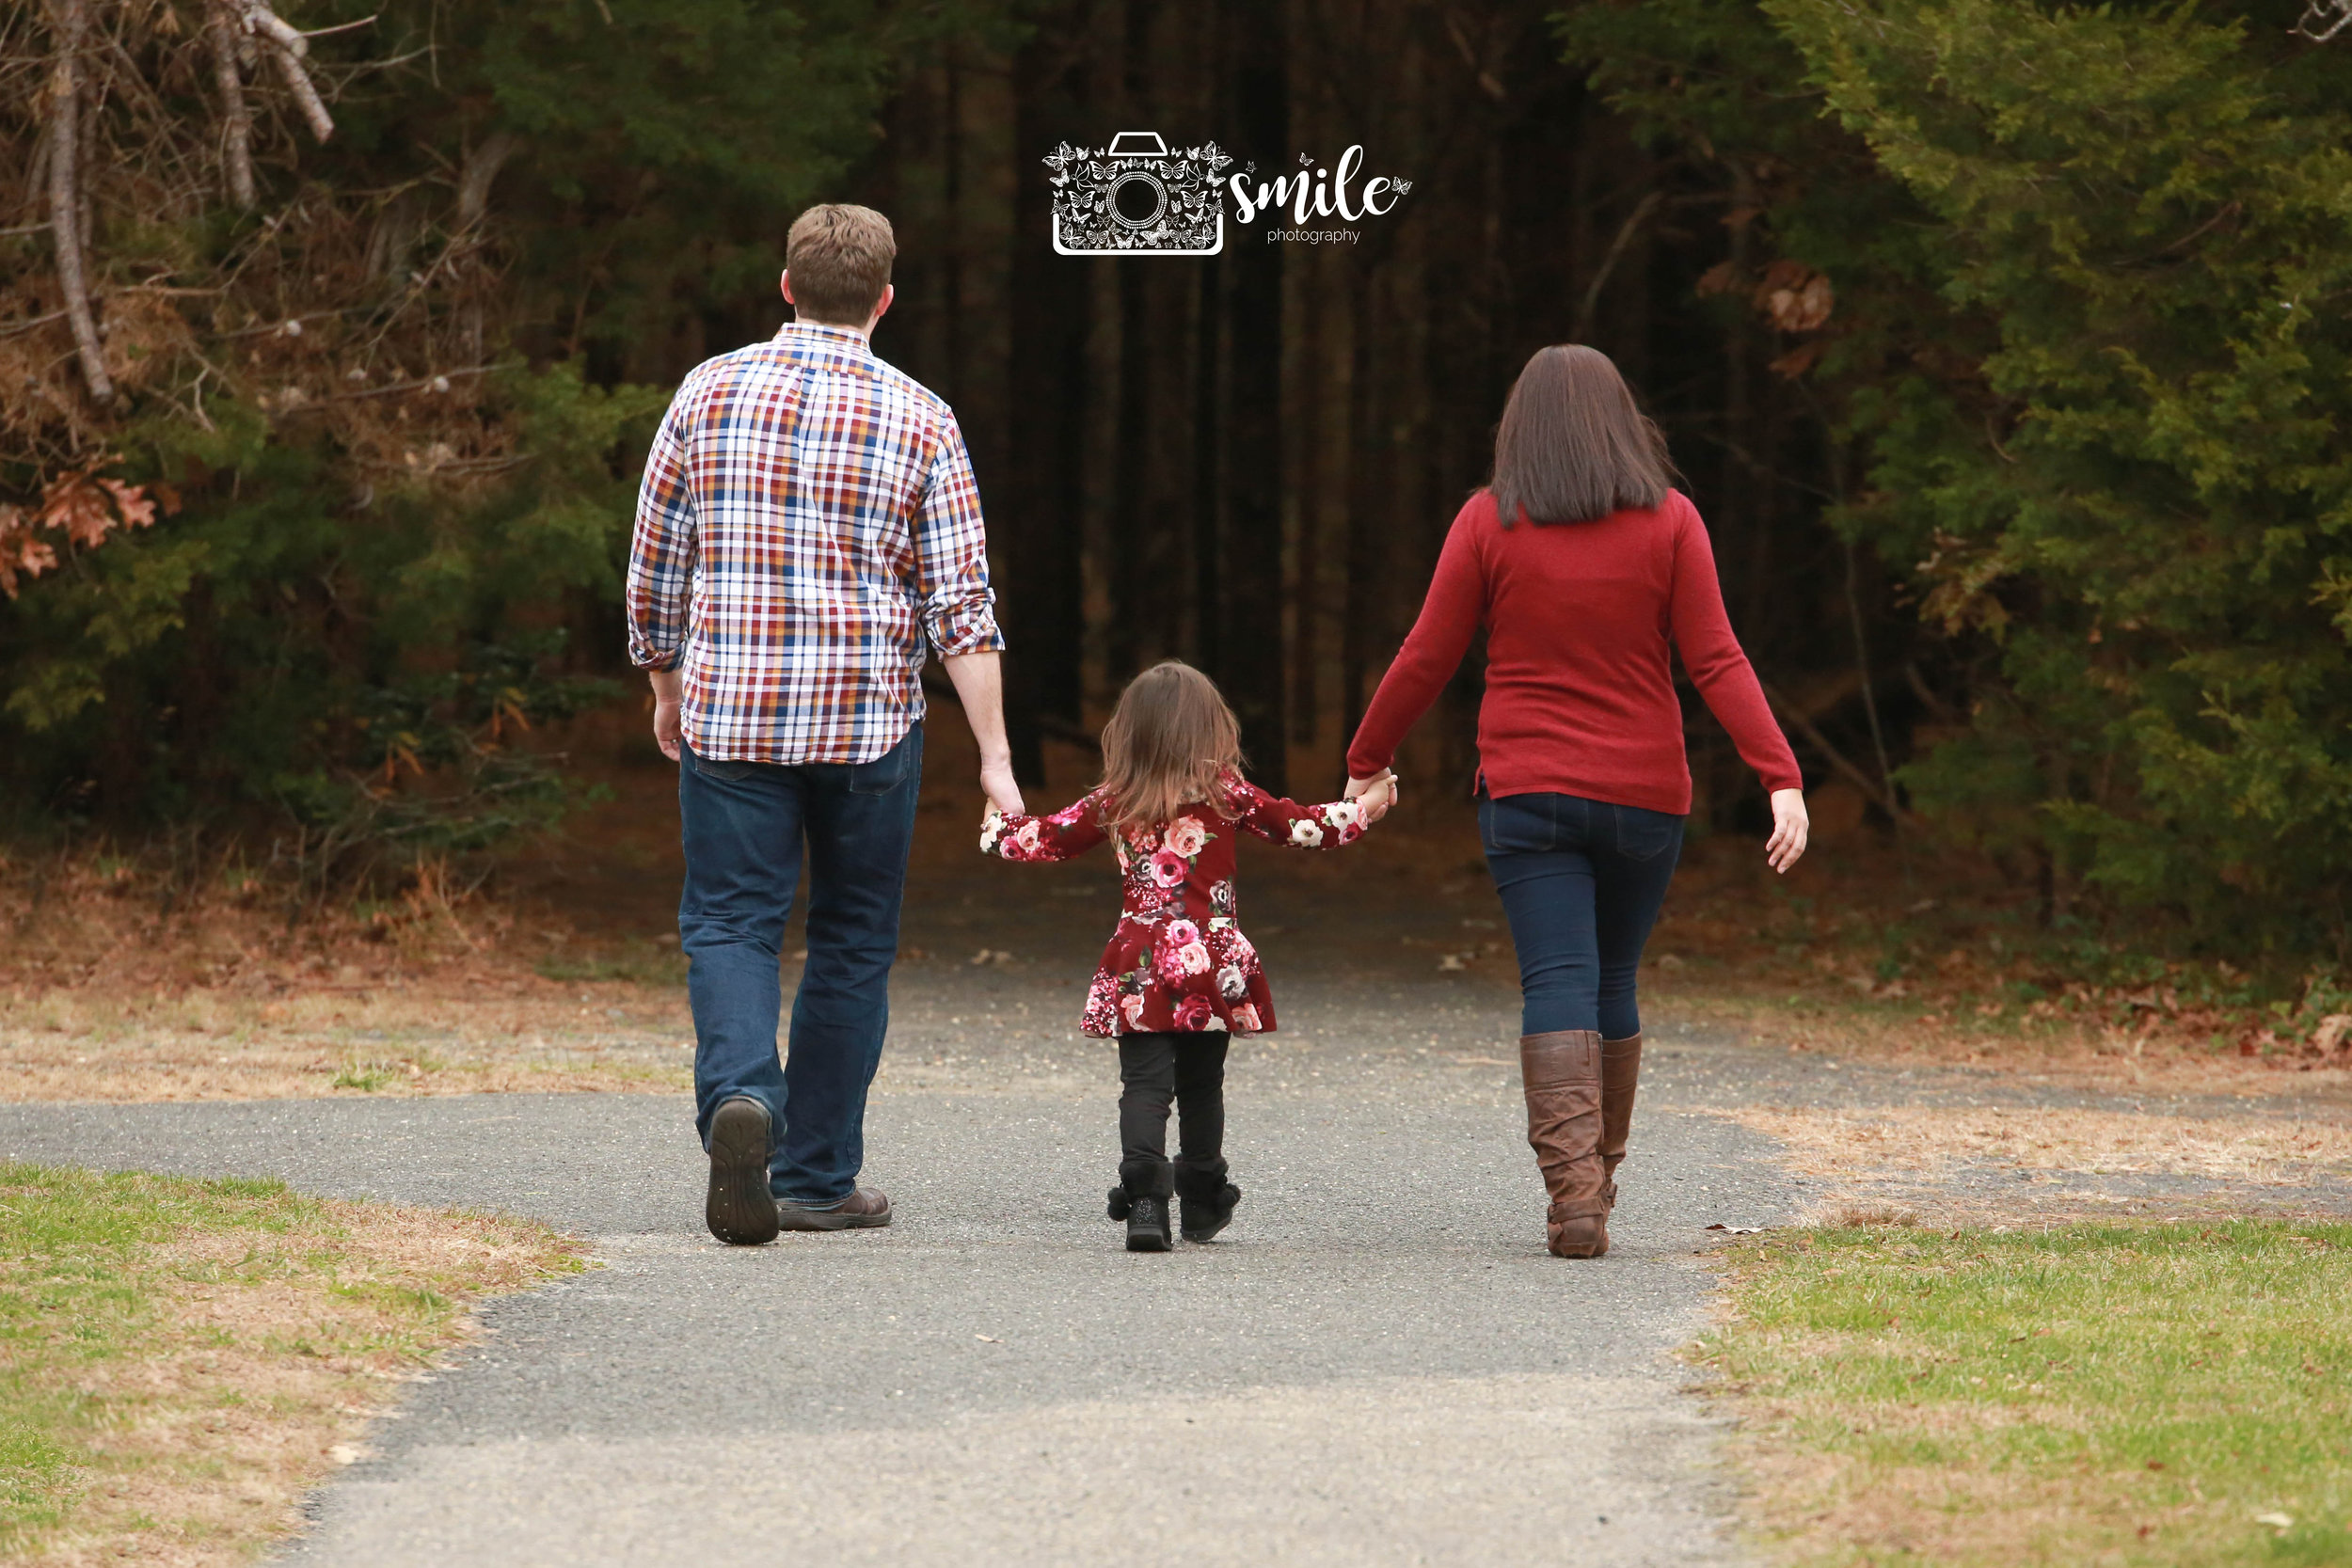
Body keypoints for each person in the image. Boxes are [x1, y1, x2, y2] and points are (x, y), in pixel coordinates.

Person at [1343, 344, 1808, 1260]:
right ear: (1621, 423)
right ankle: (1597, 1177)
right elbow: (1716, 656)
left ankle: (1574, 1197)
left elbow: (1426, 653)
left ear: (1519, 429)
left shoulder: (1487, 520)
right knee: (1611, 979)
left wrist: (1367, 758)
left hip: (1526, 793)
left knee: (1556, 979)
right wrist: (1778, 775)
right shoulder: (1672, 521)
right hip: (1645, 795)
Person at [626, 203, 1024, 1246]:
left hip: (732, 714)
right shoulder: (922, 417)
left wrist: (664, 680)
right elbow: (961, 607)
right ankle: (811, 1175)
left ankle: (739, 1101)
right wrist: (995, 755)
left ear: (785, 286)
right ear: (885, 299)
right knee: (850, 940)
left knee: (729, 922)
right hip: (868, 727)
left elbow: (658, 560)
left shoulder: (706, 392)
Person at [979, 661, 1395, 1251]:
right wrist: (1366, 806)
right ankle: (1202, 1196)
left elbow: (1044, 838)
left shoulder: (1114, 799)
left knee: (1144, 1085)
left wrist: (995, 825)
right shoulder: (1228, 794)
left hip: (1141, 959)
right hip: (1212, 958)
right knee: (1204, 1084)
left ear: (1128, 733)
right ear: (1212, 729)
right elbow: (1303, 827)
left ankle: (1147, 1198)